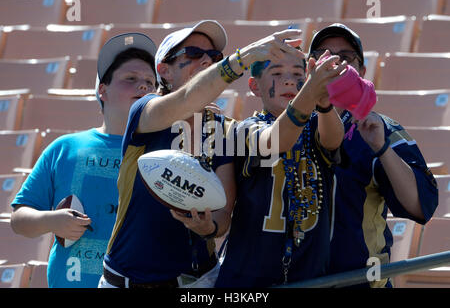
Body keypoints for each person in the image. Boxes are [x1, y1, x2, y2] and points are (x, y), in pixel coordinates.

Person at [99, 20, 305, 288]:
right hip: (126, 280)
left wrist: (207, 228)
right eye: (194, 53)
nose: (207, 60)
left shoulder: (223, 128)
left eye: (214, 56)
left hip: (196, 283)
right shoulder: (145, 110)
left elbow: (223, 216)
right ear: (165, 71)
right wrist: (242, 59)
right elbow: (187, 99)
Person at [10, 32, 158, 287]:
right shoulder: (64, 148)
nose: (143, 86)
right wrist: (52, 220)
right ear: (103, 90)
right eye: (130, 79)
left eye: (149, 81)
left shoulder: (165, 153)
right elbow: (19, 220)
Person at [307, 23, 439, 287]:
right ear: (309, 68)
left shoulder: (381, 129)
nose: (332, 63)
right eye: (323, 55)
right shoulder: (286, 127)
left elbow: (421, 206)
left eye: (344, 57)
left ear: (362, 71)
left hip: (361, 283)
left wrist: (382, 148)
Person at [215, 45, 348, 286]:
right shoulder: (243, 130)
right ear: (255, 86)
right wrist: (309, 91)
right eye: (276, 73)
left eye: (298, 75)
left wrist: (325, 104)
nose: (289, 81)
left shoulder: (319, 123)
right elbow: (276, 140)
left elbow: (333, 140)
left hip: (308, 276)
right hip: (248, 279)